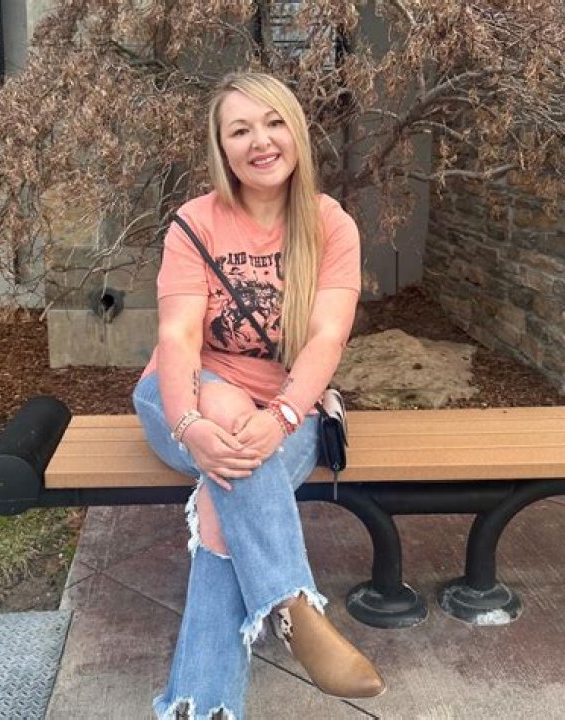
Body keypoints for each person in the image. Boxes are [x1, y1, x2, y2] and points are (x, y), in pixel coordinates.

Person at [133, 72, 385, 720]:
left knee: (224, 499)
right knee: (224, 410)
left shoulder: (330, 225)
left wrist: (282, 415)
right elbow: (178, 335)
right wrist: (190, 423)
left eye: (273, 123)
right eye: (240, 130)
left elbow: (327, 337)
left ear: (295, 130)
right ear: (222, 147)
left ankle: (198, 707)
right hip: (182, 397)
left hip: (287, 408)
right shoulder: (196, 223)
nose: (260, 141)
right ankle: (291, 603)